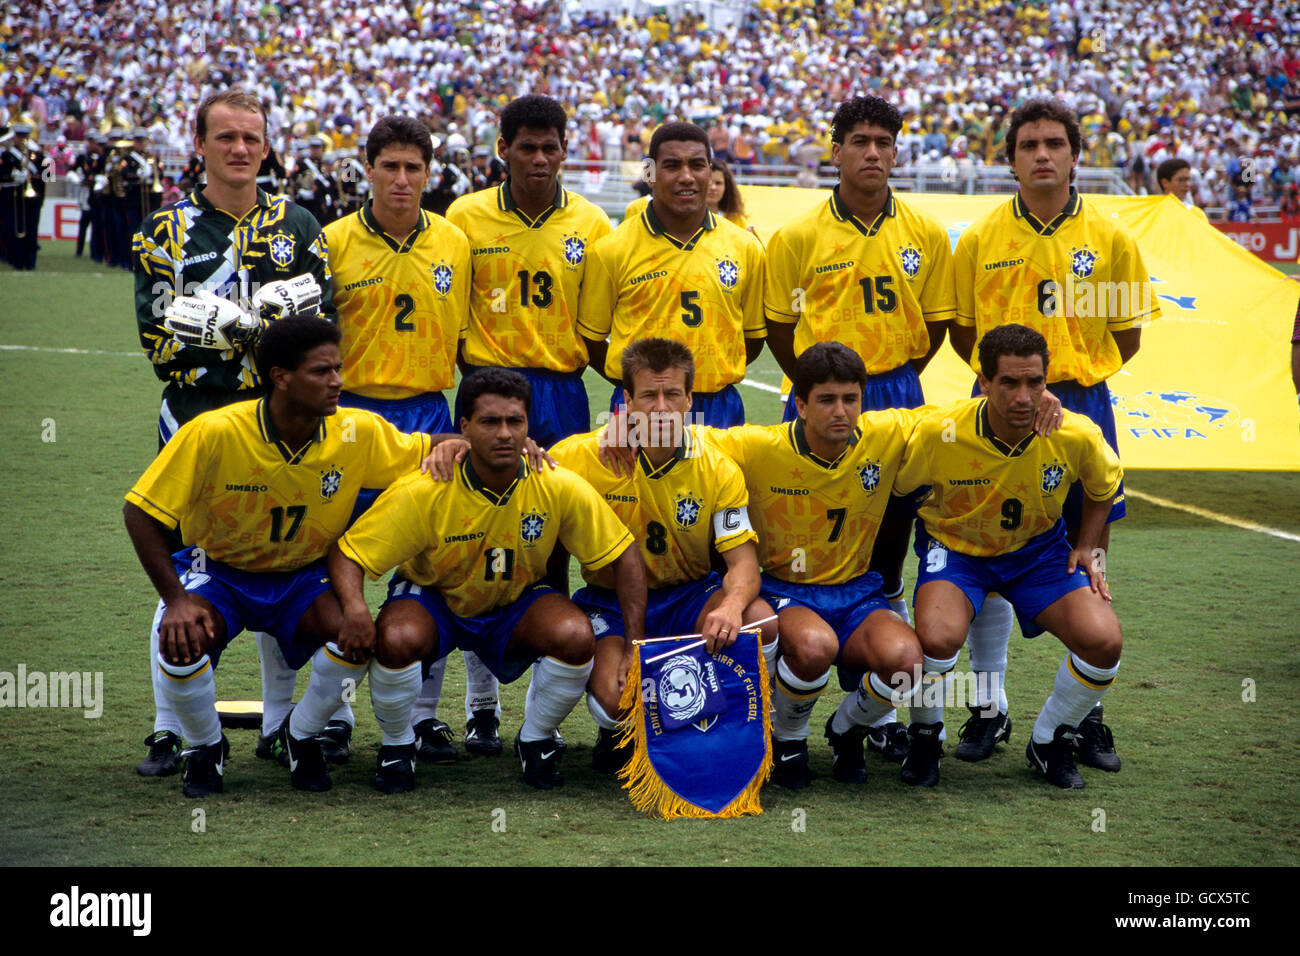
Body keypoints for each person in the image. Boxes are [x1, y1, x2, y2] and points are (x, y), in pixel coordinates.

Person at [123, 316, 431, 796]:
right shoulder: (214, 431)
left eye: (338, 369)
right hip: (217, 571)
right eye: (322, 372)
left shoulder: (358, 430)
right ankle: (205, 747)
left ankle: (300, 735)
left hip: (303, 576)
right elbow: (140, 513)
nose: (338, 382)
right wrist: (176, 598)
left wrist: (473, 448)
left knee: (355, 637)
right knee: (178, 639)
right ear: (280, 377)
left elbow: (430, 449)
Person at [131, 88, 336, 778]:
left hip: (285, 426)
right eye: (225, 137)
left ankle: (279, 725)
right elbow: (158, 341)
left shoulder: (302, 224)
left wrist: (259, 337)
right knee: (186, 564)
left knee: (284, 560)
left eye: (251, 137)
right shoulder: (165, 232)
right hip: (198, 418)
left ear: (268, 145)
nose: (240, 149)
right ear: (201, 145)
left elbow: (323, 328)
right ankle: (171, 728)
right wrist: (247, 334)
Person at [948, 97, 1155, 767]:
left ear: (1075, 155)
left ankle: (1082, 716)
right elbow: (960, 334)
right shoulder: (980, 239)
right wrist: (1013, 391)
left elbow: (1127, 336)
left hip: (1082, 405)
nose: (1042, 154)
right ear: (1010, 160)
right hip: (997, 412)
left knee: (1086, 555)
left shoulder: (1112, 239)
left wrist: (1066, 387)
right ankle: (987, 706)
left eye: (1054, 144)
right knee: (984, 551)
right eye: (1029, 144)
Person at [328, 368, 647, 793]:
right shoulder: (425, 485)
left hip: (514, 601)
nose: (504, 433)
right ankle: (397, 745)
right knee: (399, 636)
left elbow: (625, 556)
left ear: (528, 427)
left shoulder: (554, 482)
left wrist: (633, 647)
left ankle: (535, 740)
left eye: (515, 422)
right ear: (464, 428)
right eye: (490, 422)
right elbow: (349, 553)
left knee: (574, 633)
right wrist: (355, 608)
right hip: (435, 598)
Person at [762, 95, 957, 754]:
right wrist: (821, 383)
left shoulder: (927, 235)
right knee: (809, 530)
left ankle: (872, 708)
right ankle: (781, 683)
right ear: (836, 149)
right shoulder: (797, 237)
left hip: (900, 392)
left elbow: (934, 327)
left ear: (896, 151)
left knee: (895, 537)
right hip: (821, 396)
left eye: (884, 141)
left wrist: (890, 380)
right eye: (860, 141)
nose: (872, 152)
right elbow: (779, 329)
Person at [443, 95, 613, 754]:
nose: (539, 160)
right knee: (476, 541)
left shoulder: (594, 223)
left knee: (558, 547)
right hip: (488, 388)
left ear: (566, 149)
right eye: (527, 148)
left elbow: (599, 326)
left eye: (551, 148)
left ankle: (546, 715)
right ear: (503, 148)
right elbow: (451, 314)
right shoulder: (465, 217)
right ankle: (481, 704)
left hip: (562, 395)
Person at [893, 324, 1124, 789]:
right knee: (937, 639)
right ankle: (925, 734)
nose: (1024, 396)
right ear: (983, 382)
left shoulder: (1074, 433)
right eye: (1009, 383)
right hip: (956, 552)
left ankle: (1049, 739)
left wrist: (1088, 548)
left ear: (1047, 380)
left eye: (1035, 383)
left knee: (1104, 642)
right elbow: (902, 495)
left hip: (1037, 554)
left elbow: (1103, 488)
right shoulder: (942, 432)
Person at [703, 343, 927, 789]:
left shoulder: (886, 434)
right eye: (826, 400)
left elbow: (958, 420)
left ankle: (847, 730)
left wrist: (1041, 404)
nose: (840, 411)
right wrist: (618, 435)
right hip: (788, 591)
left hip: (857, 592)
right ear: (800, 405)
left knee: (908, 664)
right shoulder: (758, 446)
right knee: (813, 647)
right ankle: (789, 739)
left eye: (851, 399)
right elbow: (686, 442)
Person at [549, 338, 776, 772]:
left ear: (689, 399)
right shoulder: (582, 456)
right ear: (626, 401)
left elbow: (743, 563)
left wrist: (730, 605)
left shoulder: (715, 464)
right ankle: (616, 727)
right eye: (648, 395)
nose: (660, 407)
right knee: (618, 704)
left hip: (687, 599)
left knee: (760, 622)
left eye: (672, 394)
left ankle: (767, 736)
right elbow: (525, 462)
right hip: (610, 604)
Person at [320, 113, 471, 764]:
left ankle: (421, 717)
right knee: (335, 562)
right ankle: (328, 715)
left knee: (426, 567)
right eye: (391, 166)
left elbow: (465, 339)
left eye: (415, 168)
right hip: (350, 417)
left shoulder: (455, 242)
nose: (403, 179)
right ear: (368, 168)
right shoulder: (328, 242)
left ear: (429, 173)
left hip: (428, 414)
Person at [579, 122, 766, 429]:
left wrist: (711, 372)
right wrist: (640, 385)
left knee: (722, 479)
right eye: (672, 166)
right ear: (650, 174)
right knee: (636, 479)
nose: (687, 177)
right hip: (642, 406)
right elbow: (591, 337)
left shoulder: (745, 247)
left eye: (697, 165)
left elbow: (753, 338)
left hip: (719, 404)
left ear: (710, 171)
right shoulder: (610, 250)